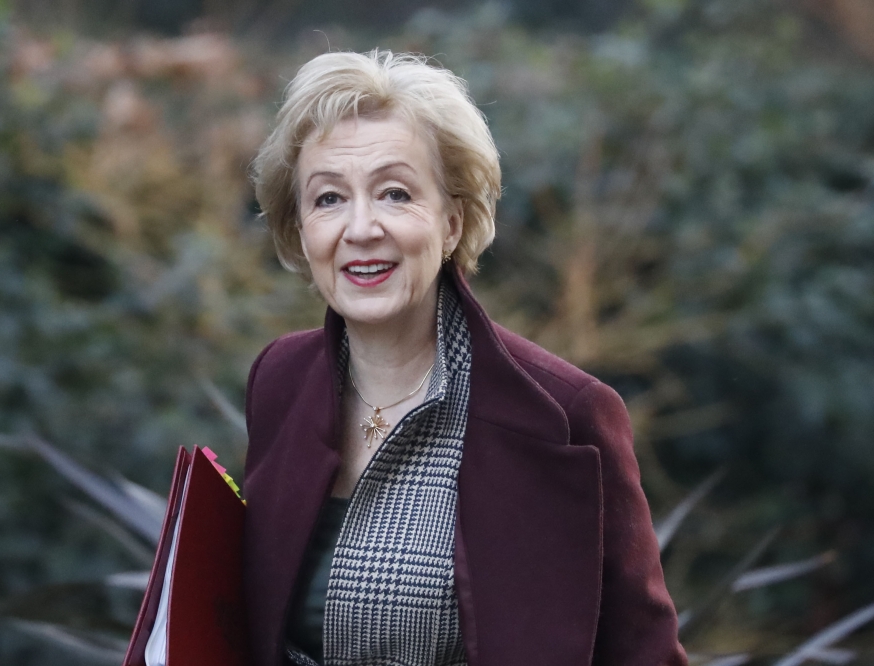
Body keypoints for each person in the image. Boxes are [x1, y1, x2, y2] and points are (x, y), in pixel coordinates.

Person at [242, 49, 687, 666]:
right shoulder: (279, 381)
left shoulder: (565, 415)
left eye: (395, 194)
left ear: (452, 222)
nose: (361, 227)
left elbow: (644, 654)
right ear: (300, 229)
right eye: (328, 199)